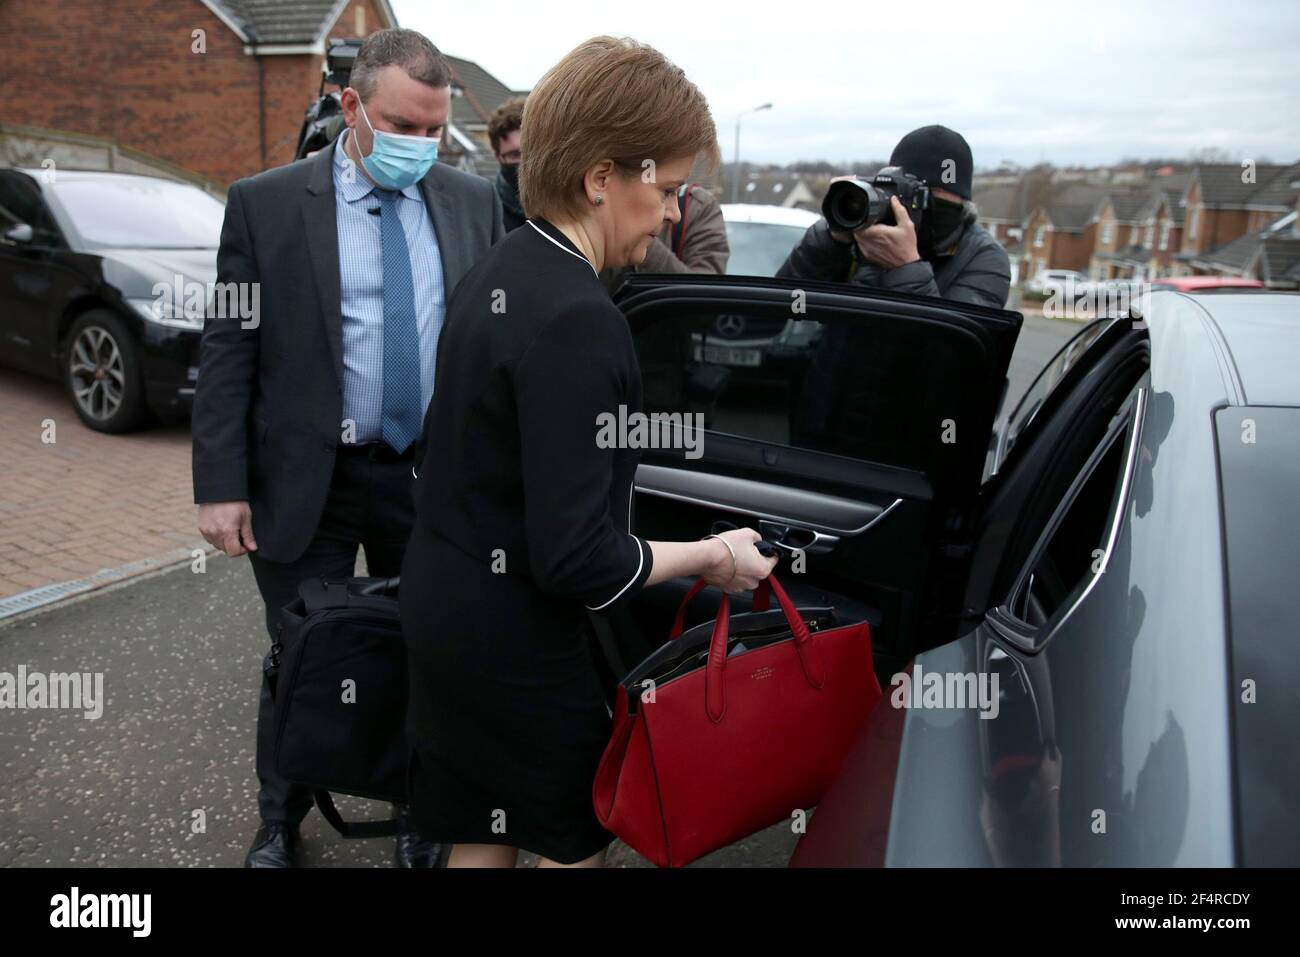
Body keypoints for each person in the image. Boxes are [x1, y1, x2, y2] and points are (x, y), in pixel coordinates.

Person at [399, 36, 777, 869]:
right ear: (602, 177)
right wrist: (713, 556)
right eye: (668, 187)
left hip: (446, 605)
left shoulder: (503, 266)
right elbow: (579, 560)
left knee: (483, 828)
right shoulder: (579, 316)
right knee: (571, 840)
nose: (677, 211)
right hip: (515, 643)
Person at [192, 27, 505, 868]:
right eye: (404, 127)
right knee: (301, 654)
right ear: (351, 107)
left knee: (426, 651)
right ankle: (280, 818)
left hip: (426, 481)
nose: (421, 146)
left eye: (435, 130)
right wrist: (220, 484)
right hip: (309, 478)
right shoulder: (265, 203)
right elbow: (230, 347)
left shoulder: (472, 203)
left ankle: (416, 815)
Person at [778, 125, 1010, 308]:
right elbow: (785, 304)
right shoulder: (863, 227)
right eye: (906, 195)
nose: (913, 210)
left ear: (962, 203)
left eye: (928, 199)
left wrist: (905, 267)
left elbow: (954, 352)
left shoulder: (983, 256)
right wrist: (832, 238)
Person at [599, 180, 729, 293]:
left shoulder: (699, 207)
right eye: (666, 191)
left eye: (670, 190)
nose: (675, 215)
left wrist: (642, 238)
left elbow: (704, 300)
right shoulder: (600, 205)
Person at [488, 95, 527, 232]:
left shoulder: (566, 209)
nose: (525, 162)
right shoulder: (486, 213)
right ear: (498, 157)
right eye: (515, 155)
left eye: (531, 151)